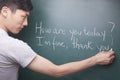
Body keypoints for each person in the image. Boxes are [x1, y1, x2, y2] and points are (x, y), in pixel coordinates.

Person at [0, 0, 115, 80]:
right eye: (23, 16)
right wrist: (95, 59)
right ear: (5, 11)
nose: (26, 23)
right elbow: (56, 71)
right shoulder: (12, 46)